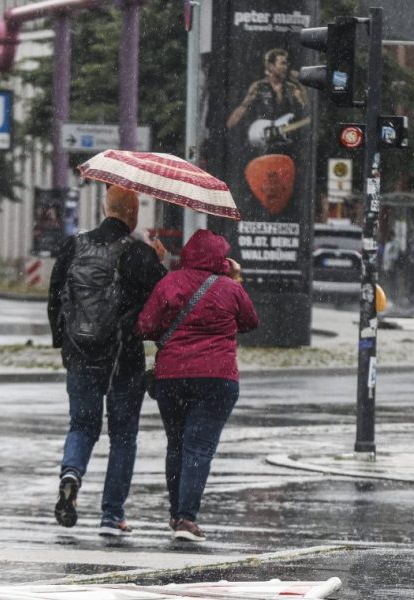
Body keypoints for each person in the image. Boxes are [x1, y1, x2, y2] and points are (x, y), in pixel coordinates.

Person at [47, 185, 167, 536]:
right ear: (132, 214)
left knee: (81, 426)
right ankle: (112, 515)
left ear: (104, 207)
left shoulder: (74, 245)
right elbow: (164, 300)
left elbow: (56, 297)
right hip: (122, 359)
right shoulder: (140, 254)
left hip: (80, 355)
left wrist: (64, 343)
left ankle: (71, 474)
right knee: (123, 436)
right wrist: (159, 262)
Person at [136, 229, 259, 542]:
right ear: (221, 258)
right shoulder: (230, 288)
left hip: (172, 377)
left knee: (176, 443)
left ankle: (177, 514)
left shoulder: (170, 282)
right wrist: (236, 278)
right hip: (217, 378)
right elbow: (249, 322)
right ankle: (187, 518)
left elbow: (146, 326)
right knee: (199, 447)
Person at [226, 47, 308, 154]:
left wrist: (300, 83)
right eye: (282, 63)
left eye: (286, 64)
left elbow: (305, 107)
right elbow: (243, 108)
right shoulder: (259, 87)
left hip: (285, 144)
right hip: (264, 142)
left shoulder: (291, 88)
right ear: (271, 66)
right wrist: (227, 128)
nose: (285, 67)